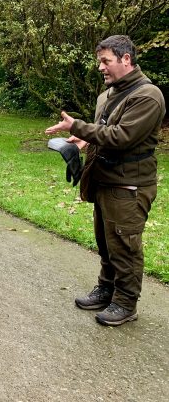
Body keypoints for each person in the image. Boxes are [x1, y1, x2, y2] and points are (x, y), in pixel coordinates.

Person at [45, 35, 165, 326]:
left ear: (126, 60)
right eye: (99, 61)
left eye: (105, 61)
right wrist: (83, 140)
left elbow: (121, 137)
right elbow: (104, 128)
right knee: (106, 241)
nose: (101, 67)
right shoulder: (108, 94)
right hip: (105, 179)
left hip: (129, 186)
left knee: (125, 245)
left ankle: (125, 302)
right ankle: (106, 288)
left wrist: (79, 126)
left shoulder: (147, 96)